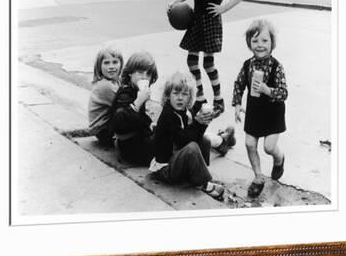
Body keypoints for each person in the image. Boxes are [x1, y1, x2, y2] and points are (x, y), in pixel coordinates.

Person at [169, 0, 249, 118]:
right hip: (197, 18)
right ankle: (201, 97)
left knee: (208, 64)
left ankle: (219, 99)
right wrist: (174, 3)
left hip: (212, 20)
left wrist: (223, 8)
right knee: (191, 60)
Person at [150, 72, 231, 200]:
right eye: (175, 93)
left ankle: (200, 173)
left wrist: (204, 122)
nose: (180, 98)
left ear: (190, 98)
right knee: (192, 148)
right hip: (165, 169)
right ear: (167, 96)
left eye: (184, 94)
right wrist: (198, 123)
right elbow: (183, 141)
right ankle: (202, 183)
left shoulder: (184, 112)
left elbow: (194, 135)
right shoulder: (168, 115)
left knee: (204, 140)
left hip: (176, 160)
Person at [232, 19, 288, 198]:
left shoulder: (277, 67)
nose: (260, 45)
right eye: (255, 41)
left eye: (264, 40)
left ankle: (279, 159)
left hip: (273, 112)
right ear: (249, 43)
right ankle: (258, 177)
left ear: (272, 43)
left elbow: (284, 93)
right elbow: (239, 84)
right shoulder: (248, 65)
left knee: (269, 147)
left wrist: (266, 89)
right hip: (254, 111)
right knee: (249, 143)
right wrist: (238, 104)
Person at [109, 51, 158, 166]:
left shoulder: (135, 91)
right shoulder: (125, 93)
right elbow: (118, 121)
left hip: (137, 142)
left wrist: (150, 123)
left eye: (148, 74)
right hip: (131, 148)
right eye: (140, 72)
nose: (144, 77)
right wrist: (138, 102)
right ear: (130, 73)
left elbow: (139, 118)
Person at [88, 46, 124, 146]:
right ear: (99, 66)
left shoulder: (116, 81)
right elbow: (124, 104)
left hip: (104, 126)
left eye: (115, 62)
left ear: (121, 64)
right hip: (103, 131)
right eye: (106, 63)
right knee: (127, 114)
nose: (111, 66)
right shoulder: (105, 86)